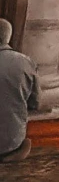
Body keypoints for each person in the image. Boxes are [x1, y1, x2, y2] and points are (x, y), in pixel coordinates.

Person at [0, 18, 40, 163]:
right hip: (11, 143)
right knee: (25, 142)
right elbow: (35, 103)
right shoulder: (26, 62)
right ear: (8, 37)